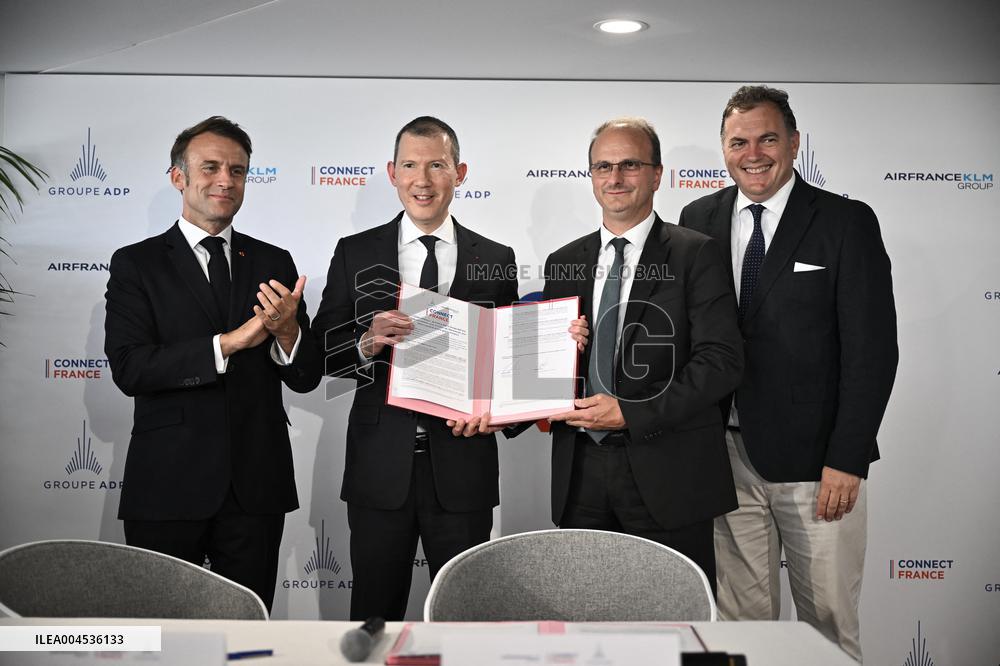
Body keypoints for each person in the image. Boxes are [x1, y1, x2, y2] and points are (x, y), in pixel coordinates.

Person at [678, 86, 898, 661]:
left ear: (794, 143)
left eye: (767, 139)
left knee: (827, 627)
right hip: (722, 461)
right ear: (723, 149)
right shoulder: (697, 219)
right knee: (740, 629)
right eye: (738, 142)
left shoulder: (846, 222)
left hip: (817, 466)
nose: (753, 154)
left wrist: (847, 459)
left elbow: (873, 352)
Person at [104, 116, 321, 612]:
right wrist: (227, 344)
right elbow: (131, 368)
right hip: (167, 482)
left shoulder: (274, 261)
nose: (225, 180)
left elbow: (306, 376)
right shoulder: (137, 263)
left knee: (247, 630)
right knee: (161, 631)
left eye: (237, 170)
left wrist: (288, 332)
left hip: (255, 487)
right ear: (178, 176)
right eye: (211, 167)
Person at [311, 116, 523, 621]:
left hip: (464, 468)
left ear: (460, 173)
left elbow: (509, 364)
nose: (422, 180)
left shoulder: (497, 258)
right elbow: (319, 352)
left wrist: (508, 404)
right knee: (373, 614)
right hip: (379, 469)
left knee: (464, 615)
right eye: (409, 165)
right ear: (392, 173)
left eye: (437, 166)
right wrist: (366, 342)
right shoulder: (354, 251)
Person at [537, 117, 744, 589]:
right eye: (603, 166)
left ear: (656, 175)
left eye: (630, 164)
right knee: (584, 612)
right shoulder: (563, 261)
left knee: (672, 618)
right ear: (591, 176)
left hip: (669, 470)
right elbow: (547, 367)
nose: (615, 177)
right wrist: (559, 353)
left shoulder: (696, 254)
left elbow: (721, 361)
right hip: (580, 472)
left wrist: (631, 412)